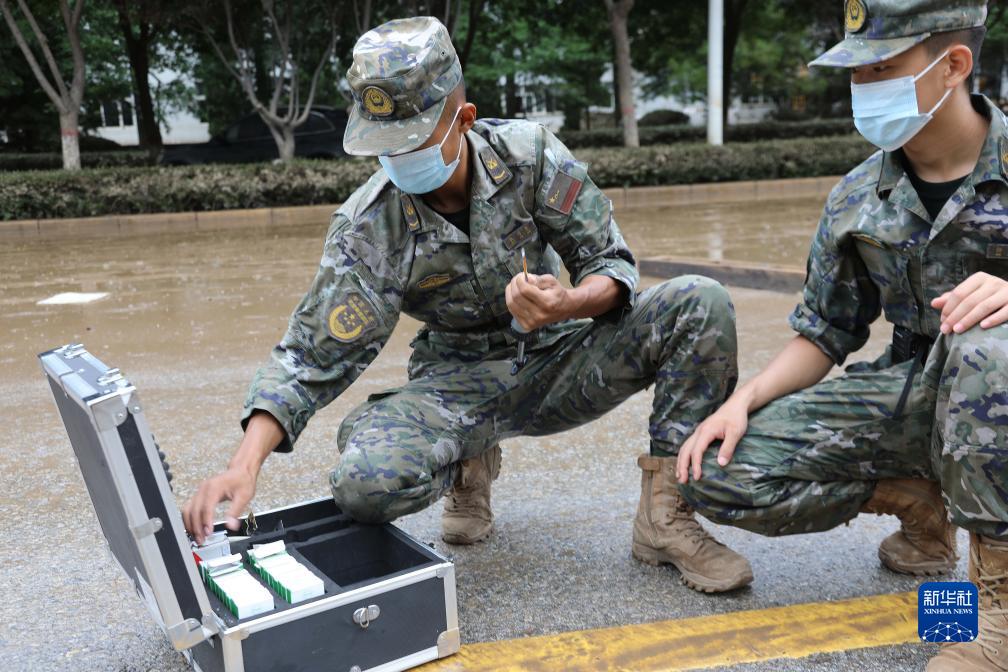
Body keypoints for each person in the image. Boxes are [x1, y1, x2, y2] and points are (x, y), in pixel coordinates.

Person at [182, 16, 753, 593]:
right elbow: (308, 356)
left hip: (560, 358)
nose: (400, 158)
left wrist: (567, 304)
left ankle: (665, 517)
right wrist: (243, 464)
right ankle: (467, 460)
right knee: (365, 485)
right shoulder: (368, 226)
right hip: (455, 384)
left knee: (698, 303)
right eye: (386, 145)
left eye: (415, 139)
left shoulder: (529, 157)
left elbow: (611, 263)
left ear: (464, 120)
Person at [674, 0, 1007, 668]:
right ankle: (924, 506)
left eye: (883, 68)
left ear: (954, 66)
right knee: (715, 472)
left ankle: (997, 609)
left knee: (984, 349)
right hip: (917, 389)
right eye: (857, 73)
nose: (865, 88)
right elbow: (825, 332)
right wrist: (743, 402)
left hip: (998, 392)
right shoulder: (858, 197)